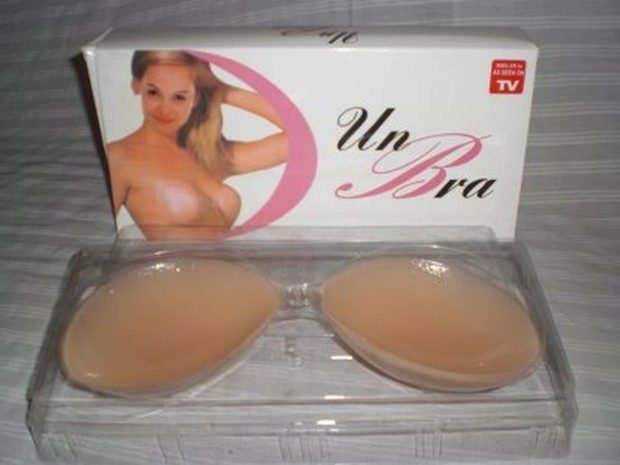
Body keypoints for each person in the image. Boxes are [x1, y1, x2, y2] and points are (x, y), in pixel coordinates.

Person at [106, 50, 288, 239]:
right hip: (172, 259)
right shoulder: (119, 157)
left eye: (179, 97)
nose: (165, 109)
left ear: (196, 98)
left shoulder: (210, 155)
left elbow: (298, 140)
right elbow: (101, 238)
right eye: (154, 93)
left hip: (227, 258)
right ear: (137, 85)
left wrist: (222, 90)